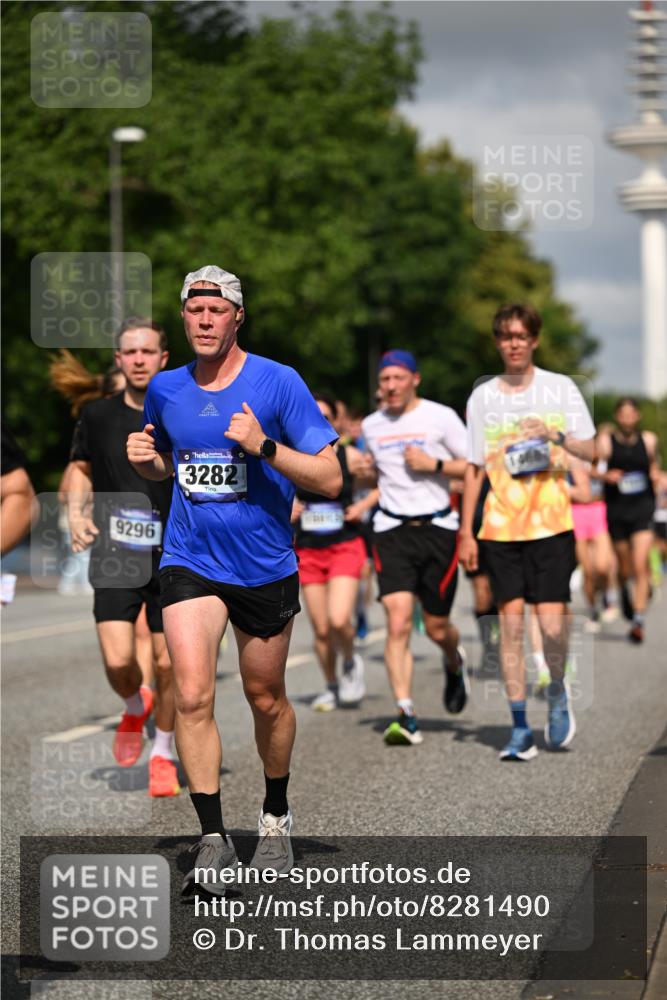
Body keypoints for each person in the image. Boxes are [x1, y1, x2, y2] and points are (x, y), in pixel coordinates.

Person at [127, 265, 340, 892]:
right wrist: (153, 464)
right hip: (189, 559)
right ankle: (213, 836)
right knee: (191, 694)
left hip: (265, 564)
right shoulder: (165, 389)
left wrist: (264, 446)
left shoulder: (279, 382)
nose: (203, 321)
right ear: (183, 317)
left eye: (216, 311)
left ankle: (275, 814)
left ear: (236, 316)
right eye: (193, 311)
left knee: (265, 696)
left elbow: (329, 479)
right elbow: (174, 463)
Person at [461, 303, 595, 761]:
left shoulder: (560, 389)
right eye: (505, 336)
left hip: (552, 525)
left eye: (521, 336)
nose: (513, 344)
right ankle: (519, 727)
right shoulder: (483, 397)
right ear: (497, 341)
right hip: (500, 528)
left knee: (553, 626)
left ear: (534, 339)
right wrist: (466, 531)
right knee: (510, 629)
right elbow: (474, 468)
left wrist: (556, 437)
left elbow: (592, 450)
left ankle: (557, 688)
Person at [67, 319, 179, 797]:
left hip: (176, 548)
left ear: (163, 358)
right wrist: (75, 513)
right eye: (129, 352)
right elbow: (78, 467)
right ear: (118, 360)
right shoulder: (96, 416)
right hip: (117, 548)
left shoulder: (184, 409)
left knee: (170, 664)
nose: (137, 359)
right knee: (118, 661)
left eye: (147, 351)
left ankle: (164, 753)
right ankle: (135, 705)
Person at [361, 350, 468, 747]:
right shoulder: (371, 425)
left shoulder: (440, 417)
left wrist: (434, 465)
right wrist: (363, 471)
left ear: (414, 380)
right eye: (384, 379)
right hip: (391, 530)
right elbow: (375, 470)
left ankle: (453, 661)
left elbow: (475, 467)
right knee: (398, 621)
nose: (390, 386)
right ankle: (405, 713)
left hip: (438, 528)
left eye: (397, 378)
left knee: (437, 627)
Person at [293, 394, 369, 710]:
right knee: (321, 629)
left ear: (336, 423)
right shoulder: (293, 457)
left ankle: (350, 662)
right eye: (315, 415)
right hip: (308, 550)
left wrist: (363, 505)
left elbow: (389, 483)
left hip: (344, 545)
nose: (320, 422)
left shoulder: (350, 456)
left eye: (327, 417)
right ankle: (331, 685)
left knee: (339, 620)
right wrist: (288, 506)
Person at [596, 398, 660, 644]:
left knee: (640, 564)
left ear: (637, 416)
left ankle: (638, 621)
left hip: (643, 508)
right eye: (622, 414)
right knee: (624, 567)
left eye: (631, 414)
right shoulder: (605, 442)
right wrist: (605, 475)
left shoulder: (649, 440)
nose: (627, 418)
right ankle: (623, 591)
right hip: (617, 510)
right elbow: (590, 470)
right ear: (617, 417)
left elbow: (653, 466)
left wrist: (656, 476)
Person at [568, 455, 615, 633]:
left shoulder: (603, 461)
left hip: (598, 511)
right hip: (576, 512)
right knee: (588, 571)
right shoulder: (570, 459)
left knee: (602, 566)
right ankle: (593, 610)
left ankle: (606, 596)